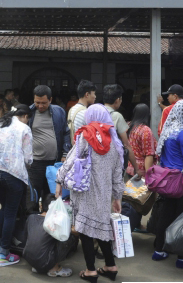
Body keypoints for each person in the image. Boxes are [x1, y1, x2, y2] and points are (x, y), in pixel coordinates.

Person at [55, 104, 125, 282]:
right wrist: (117, 197)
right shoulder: (115, 143)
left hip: (84, 192)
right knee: (101, 228)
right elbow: (118, 175)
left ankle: (90, 270)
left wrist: (59, 180)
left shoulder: (85, 137)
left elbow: (70, 161)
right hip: (104, 195)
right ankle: (110, 266)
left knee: (85, 230)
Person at [151, 100, 183, 269]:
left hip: (168, 181)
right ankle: (182, 257)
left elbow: (163, 158)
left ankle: (160, 250)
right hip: (181, 183)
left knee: (165, 214)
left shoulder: (168, 130)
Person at [0, 104, 33, 267]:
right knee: (11, 213)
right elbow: (28, 159)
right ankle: (4, 255)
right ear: (25, 116)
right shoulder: (24, 128)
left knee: (5, 209)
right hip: (13, 175)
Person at [27, 85, 70, 211]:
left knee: (51, 194)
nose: (40, 106)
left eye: (44, 103)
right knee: (33, 195)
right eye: (37, 102)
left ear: (50, 100)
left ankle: (49, 223)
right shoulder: (29, 113)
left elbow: (66, 132)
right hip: (34, 163)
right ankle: (33, 221)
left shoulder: (59, 112)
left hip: (54, 162)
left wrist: (65, 153)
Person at [28, 194, 78, 278]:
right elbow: (74, 232)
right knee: (69, 237)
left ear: (42, 205)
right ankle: (54, 269)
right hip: (46, 260)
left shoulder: (31, 217)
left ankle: (38, 266)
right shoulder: (54, 221)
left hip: (29, 257)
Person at [103, 84, 139, 176]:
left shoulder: (93, 113)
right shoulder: (117, 116)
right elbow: (126, 145)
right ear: (117, 100)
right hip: (112, 161)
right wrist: (136, 168)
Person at [127, 104, 157, 178]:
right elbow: (148, 155)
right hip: (141, 171)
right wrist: (148, 176)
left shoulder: (129, 127)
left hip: (130, 167)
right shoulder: (146, 130)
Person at [67, 80, 96, 145]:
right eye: (94, 93)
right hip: (83, 150)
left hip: (74, 149)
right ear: (87, 94)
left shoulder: (72, 109)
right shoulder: (86, 113)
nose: (95, 96)